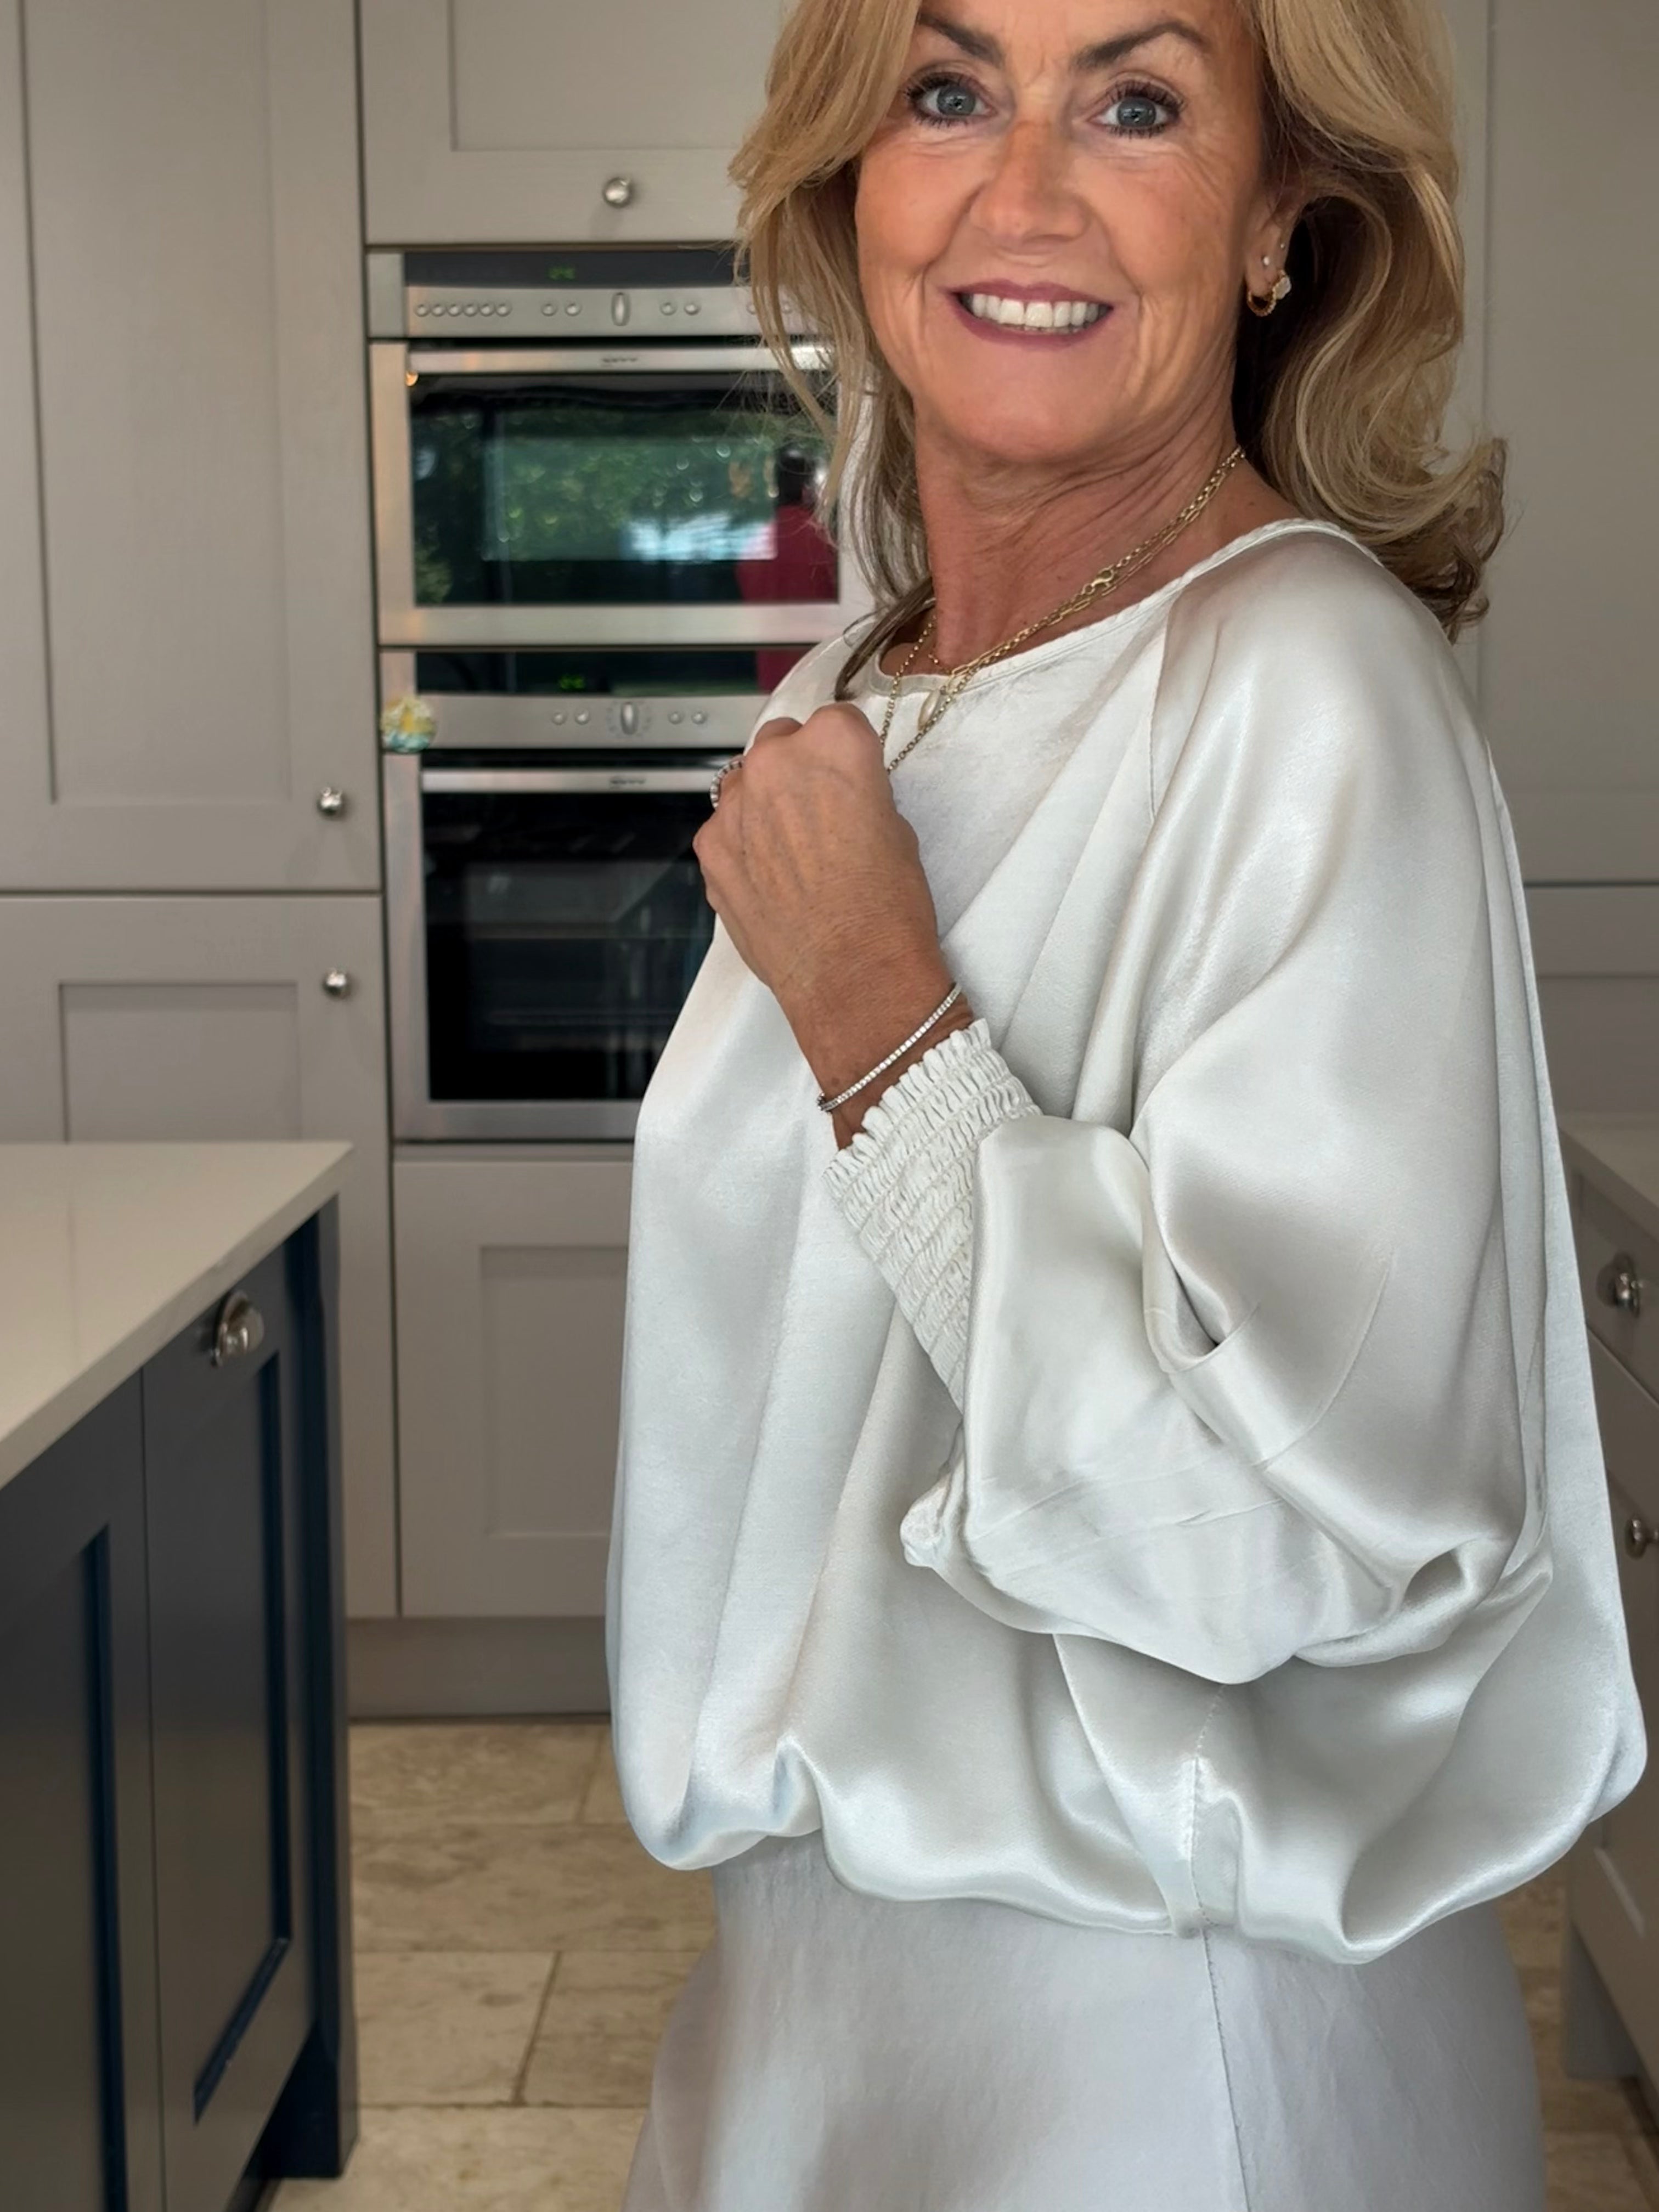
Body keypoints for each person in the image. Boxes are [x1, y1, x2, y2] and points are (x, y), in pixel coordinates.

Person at [604, 1, 1647, 2205]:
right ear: (852, 182)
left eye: (1139, 105)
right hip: (814, 1991)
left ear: (1277, 219)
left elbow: (1275, 1533)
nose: (1025, 193)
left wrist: (884, 1020)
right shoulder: (859, 687)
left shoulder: (1308, 686)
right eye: (949, 92)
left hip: (1157, 2040)